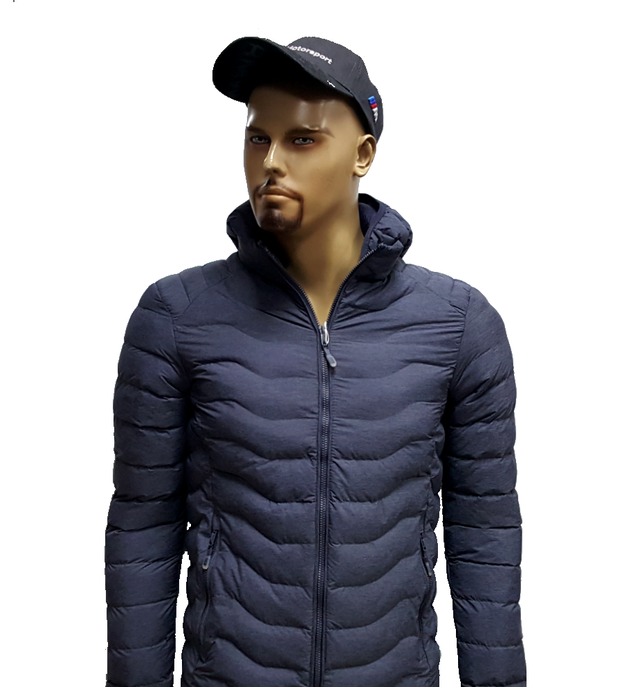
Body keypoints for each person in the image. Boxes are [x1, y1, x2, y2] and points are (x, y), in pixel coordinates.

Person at [105, 36, 526, 687]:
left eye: (302, 139)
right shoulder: (176, 316)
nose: (270, 162)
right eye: (257, 138)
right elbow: (142, 528)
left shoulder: (459, 325)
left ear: (363, 155)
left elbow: (486, 535)